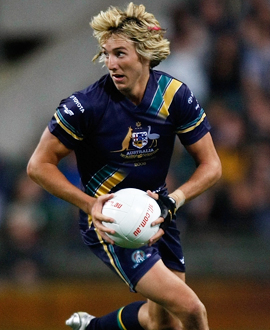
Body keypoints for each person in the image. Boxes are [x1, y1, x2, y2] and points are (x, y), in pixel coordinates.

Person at [27, 3, 222, 330]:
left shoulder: (173, 95)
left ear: (144, 53)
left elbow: (211, 165)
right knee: (191, 309)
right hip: (111, 223)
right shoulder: (87, 106)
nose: (111, 63)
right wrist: (90, 205)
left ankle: (94, 327)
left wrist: (173, 200)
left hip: (157, 212)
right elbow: (38, 165)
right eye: (107, 54)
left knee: (162, 321)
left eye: (120, 53)